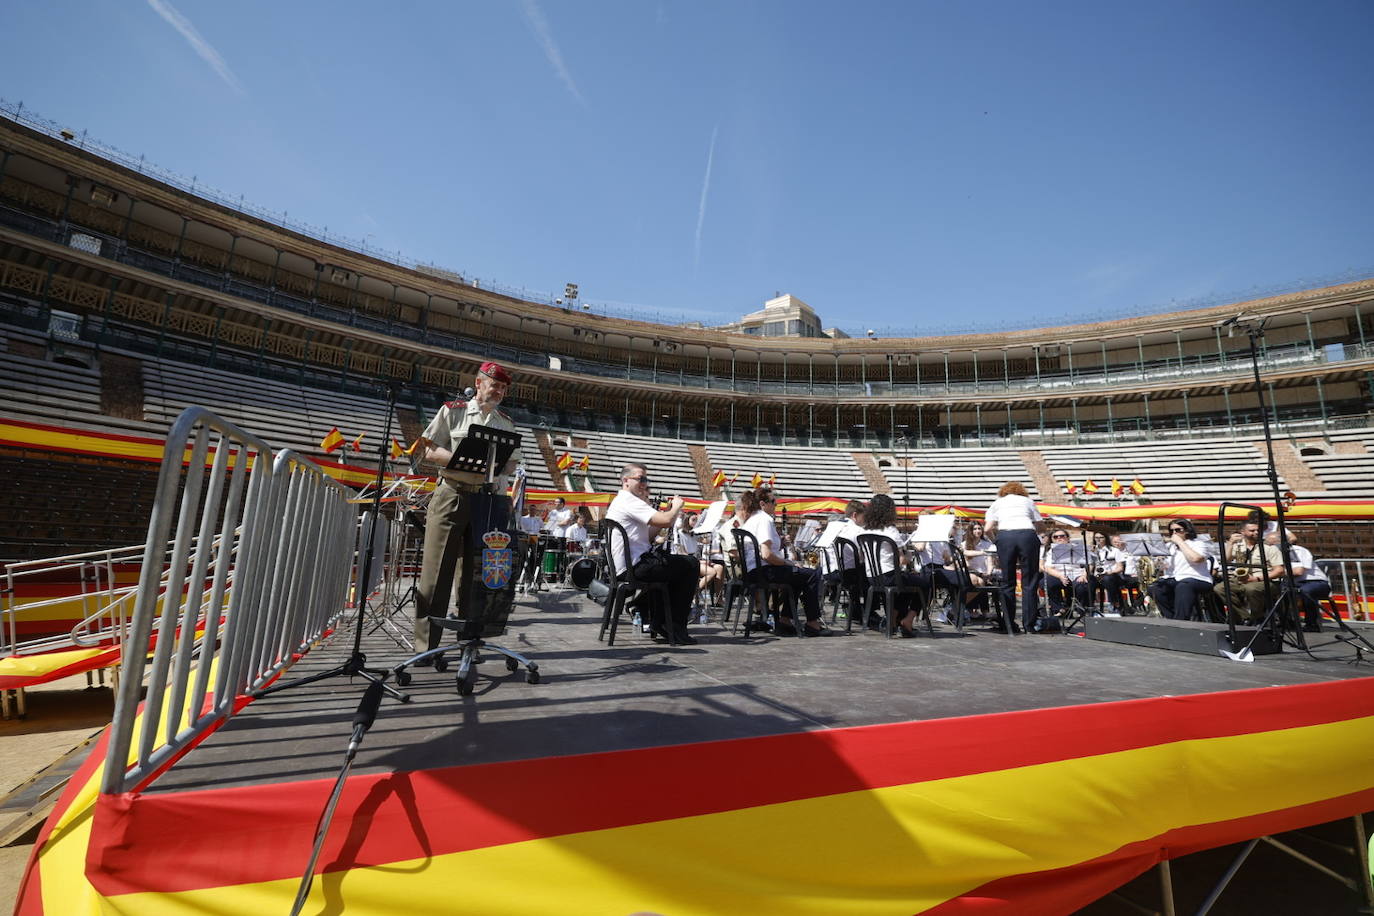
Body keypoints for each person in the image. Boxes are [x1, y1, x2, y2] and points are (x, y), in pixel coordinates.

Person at [413, 362, 522, 653]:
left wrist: (496, 468)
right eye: (494, 384)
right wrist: (464, 461)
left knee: (475, 576)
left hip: (486, 501)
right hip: (452, 495)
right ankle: (426, 647)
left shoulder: (505, 422)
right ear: (478, 383)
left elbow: (513, 462)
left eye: (503, 387)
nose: (498, 391)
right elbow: (430, 449)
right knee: (436, 574)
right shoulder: (453, 410)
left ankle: (468, 642)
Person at [605, 462, 699, 644]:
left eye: (646, 479)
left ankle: (657, 619)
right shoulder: (629, 500)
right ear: (625, 480)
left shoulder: (623, 501)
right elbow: (664, 521)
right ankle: (674, 626)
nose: (644, 483)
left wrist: (667, 515)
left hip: (631, 564)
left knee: (674, 566)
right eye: (640, 479)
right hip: (634, 566)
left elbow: (647, 536)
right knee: (691, 565)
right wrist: (676, 507)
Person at [738, 487, 831, 636]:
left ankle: (785, 620)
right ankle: (812, 623)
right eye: (773, 501)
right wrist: (789, 563)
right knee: (813, 573)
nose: (776, 504)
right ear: (762, 503)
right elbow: (766, 555)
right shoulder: (764, 519)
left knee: (799, 575)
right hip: (764, 571)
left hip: (754, 571)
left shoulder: (752, 519)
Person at [861, 494, 926, 637]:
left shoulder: (864, 531)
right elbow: (902, 561)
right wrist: (909, 556)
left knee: (906, 583)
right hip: (889, 576)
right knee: (925, 583)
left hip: (872, 577)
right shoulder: (890, 531)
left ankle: (893, 618)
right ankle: (907, 620)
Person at [984, 481, 1044, 633]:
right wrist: (1035, 535)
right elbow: (1041, 526)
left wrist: (996, 541)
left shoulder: (997, 503)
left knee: (1007, 581)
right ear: (1021, 491)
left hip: (1005, 536)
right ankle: (1029, 625)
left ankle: (1009, 624)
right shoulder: (1028, 501)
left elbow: (987, 529)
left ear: (1003, 492)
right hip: (1026, 535)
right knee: (1030, 581)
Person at [1213, 518, 1284, 623]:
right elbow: (1226, 560)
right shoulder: (1238, 546)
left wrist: (1256, 578)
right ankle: (1245, 617)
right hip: (1242, 579)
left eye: (1258, 530)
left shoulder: (1269, 548)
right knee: (1219, 588)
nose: (1256, 532)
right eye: (1252, 530)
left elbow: (1279, 571)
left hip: (1265, 580)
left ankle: (1257, 617)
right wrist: (1230, 543)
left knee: (1251, 589)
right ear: (1243, 532)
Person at [1150, 518, 1213, 621]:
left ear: (1187, 530)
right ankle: (1171, 618)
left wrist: (1180, 543)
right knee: (1155, 588)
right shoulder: (1170, 546)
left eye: (1178, 530)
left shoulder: (1198, 543)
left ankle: (1181, 620)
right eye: (1172, 531)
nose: (1174, 533)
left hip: (1198, 578)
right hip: (1175, 578)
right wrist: (1160, 563)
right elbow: (1166, 567)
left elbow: (1196, 559)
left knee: (1183, 586)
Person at [1269, 529, 1327, 632]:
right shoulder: (1272, 554)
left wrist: (1277, 572)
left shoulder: (1299, 551)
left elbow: (1299, 571)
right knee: (1275, 590)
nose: (1270, 547)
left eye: (1272, 544)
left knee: (1306, 591)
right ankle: (1286, 622)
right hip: (1291, 583)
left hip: (1315, 581)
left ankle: (1312, 623)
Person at [1042, 528, 1091, 618]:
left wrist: (1084, 575)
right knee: (1049, 582)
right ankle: (1059, 608)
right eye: (1055, 537)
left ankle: (1082, 610)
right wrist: (1060, 576)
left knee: (1082, 586)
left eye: (1062, 536)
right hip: (1059, 574)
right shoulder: (1050, 552)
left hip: (1077, 574)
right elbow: (1048, 568)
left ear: (1067, 538)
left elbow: (1088, 565)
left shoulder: (1078, 549)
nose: (1059, 538)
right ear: (1052, 539)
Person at [1101, 534, 1138, 614]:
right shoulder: (1110, 552)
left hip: (1130, 575)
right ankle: (1118, 604)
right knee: (1110, 580)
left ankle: (1125, 605)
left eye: (1119, 541)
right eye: (1115, 542)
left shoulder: (1131, 552)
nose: (1117, 544)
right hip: (1116, 576)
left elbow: (1137, 564)